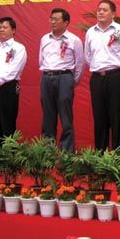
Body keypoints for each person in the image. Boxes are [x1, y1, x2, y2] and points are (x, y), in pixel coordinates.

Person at [84, 0, 120, 150]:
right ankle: (100, 154)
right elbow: (88, 55)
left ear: (113, 14)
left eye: (105, 10)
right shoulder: (91, 32)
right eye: (99, 9)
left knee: (116, 116)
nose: (100, 12)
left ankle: (117, 156)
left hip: (116, 77)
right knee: (99, 116)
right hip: (97, 78)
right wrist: (98, 68)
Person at [38, 8, 84, 151]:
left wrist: (71, 81)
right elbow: (41, 60)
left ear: (66, 22)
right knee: (48, 115)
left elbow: (79, 64)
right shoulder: (45, 39)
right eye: (51, 19)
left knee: (65, 116)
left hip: (64, 77)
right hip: (47, 76)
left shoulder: (74, 40)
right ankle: (48, 151)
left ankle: (66, 152)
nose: (53, 22)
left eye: (56, 19)